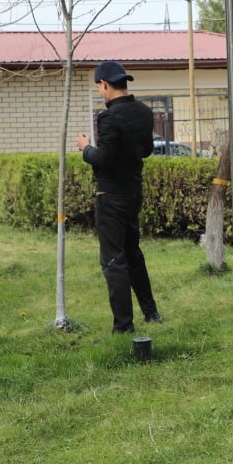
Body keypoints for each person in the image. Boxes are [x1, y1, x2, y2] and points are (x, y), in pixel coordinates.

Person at [76, 60, 162, 334]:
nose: (100, 92)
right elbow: (147, 150)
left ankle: (123, 327)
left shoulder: (109, 117)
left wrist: (85, 148)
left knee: (114, 261)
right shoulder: (144, 112)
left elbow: (103, 159)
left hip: (111, 196)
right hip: (133, 192)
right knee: (133, 253)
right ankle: (151, 313)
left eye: (99, 87)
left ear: (103, 84)